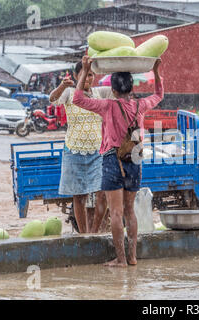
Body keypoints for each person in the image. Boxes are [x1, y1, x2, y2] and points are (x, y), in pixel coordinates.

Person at [73, 56, 163, 267]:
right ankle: (132, 257)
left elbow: (77, 98)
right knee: (129, 210)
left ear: (113, 90)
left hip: (113, 160)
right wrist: (157, 72)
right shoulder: (141, 104)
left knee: (116, 212)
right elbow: (159, 94)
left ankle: (120, 259)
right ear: (131, 88)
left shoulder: (107, 106)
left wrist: (85, 70)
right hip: (135, 159)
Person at [49, 61, 111, 234]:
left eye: (91, 74)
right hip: (74, 150)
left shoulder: (100, 93)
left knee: (102, 192)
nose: (88, 78)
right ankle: (84, 234)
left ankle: (95, 232)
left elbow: (120, 92)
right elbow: (52, 99)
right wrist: (62, 85)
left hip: (98, 151)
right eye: (85, 74)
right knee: (79, 195)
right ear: (76, 76)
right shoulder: (69, 93)